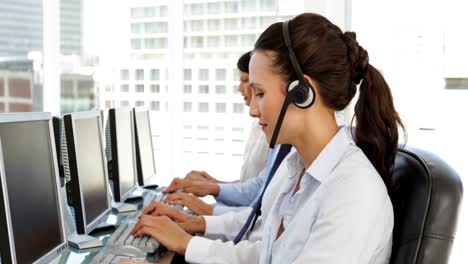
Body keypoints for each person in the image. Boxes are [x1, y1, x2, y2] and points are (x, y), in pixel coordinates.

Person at [130, 13, 404, 263]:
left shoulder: (352, 193)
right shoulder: (294, 169)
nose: (252, 109)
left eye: (260, 93)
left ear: (302, 92)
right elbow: (267, 254)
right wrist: (187, 243)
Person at [185, 51, 269, 184]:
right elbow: (251, 186)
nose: (240, 88)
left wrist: (213, 189)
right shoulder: (256, 124)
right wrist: (214, 184)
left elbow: (260, 192)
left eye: (245, 80)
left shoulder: (276, 131)